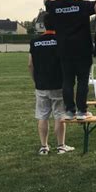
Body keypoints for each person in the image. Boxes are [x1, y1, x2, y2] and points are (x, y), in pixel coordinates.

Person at [44, 0, 96, 120]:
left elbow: (46, 1)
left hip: (64, 50)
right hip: (83, 49)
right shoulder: (82, 6)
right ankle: (82, 110)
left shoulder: (56, 6)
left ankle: (70, 110)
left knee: (68, 81)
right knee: (83, 81)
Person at [28, 13, 75, 155]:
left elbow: (30, 65)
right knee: (59, 115)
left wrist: (35, 80)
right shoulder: (62, 41)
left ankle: (44, 146)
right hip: (58, 84)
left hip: (41, 84)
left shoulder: (34, 42)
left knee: (42, 116)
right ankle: (61, 146)